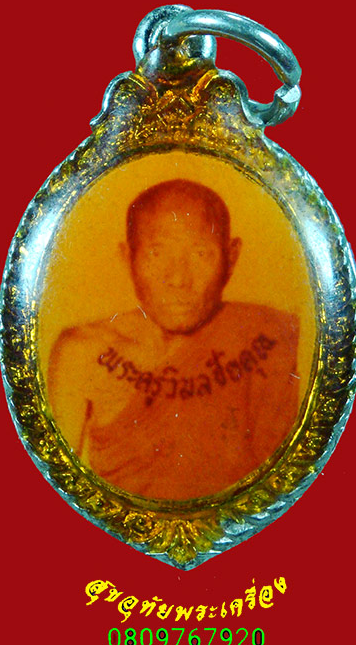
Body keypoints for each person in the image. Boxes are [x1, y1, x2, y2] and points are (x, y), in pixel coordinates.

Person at [48, 179, 299, 501]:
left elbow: (283, 488)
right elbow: (55, 491)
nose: (179, 279)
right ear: (128, 258)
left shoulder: (268, 338)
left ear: (231, 258)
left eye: (200, 253)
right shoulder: (85, 351)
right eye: (157, 253)